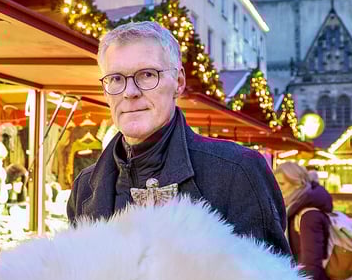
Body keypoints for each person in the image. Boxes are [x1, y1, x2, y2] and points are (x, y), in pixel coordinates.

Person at [66, 21, 291, 257]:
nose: (129, 92)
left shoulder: (237, 171)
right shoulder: (85, 185)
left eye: (147, 75)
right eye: (116, 79)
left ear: (179, 82)